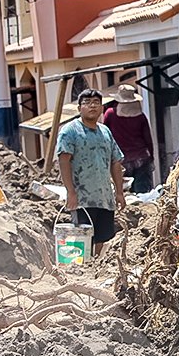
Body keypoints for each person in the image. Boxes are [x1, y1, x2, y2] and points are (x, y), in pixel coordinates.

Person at [56, 88, 126, 254]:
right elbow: (63, 161)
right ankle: (83, 271)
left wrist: (119, 192)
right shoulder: (70, 131)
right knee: (82, 238)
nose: (92, 106)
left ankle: (96, 267)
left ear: (102, 107)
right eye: (87, 103)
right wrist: (70, 192)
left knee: (103, 237)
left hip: (104, 198)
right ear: (79, 108)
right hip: (82, 199)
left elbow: (115, 162)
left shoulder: (105, 131)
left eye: (96, 103)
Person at [102, 84, 155, 193]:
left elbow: (105, 137)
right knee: (143, 194)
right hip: (141, 158)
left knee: (123, 193)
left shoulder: (110, 114)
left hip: (120, 161)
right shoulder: (141, 117)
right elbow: (148, 139)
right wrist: (151, 157)